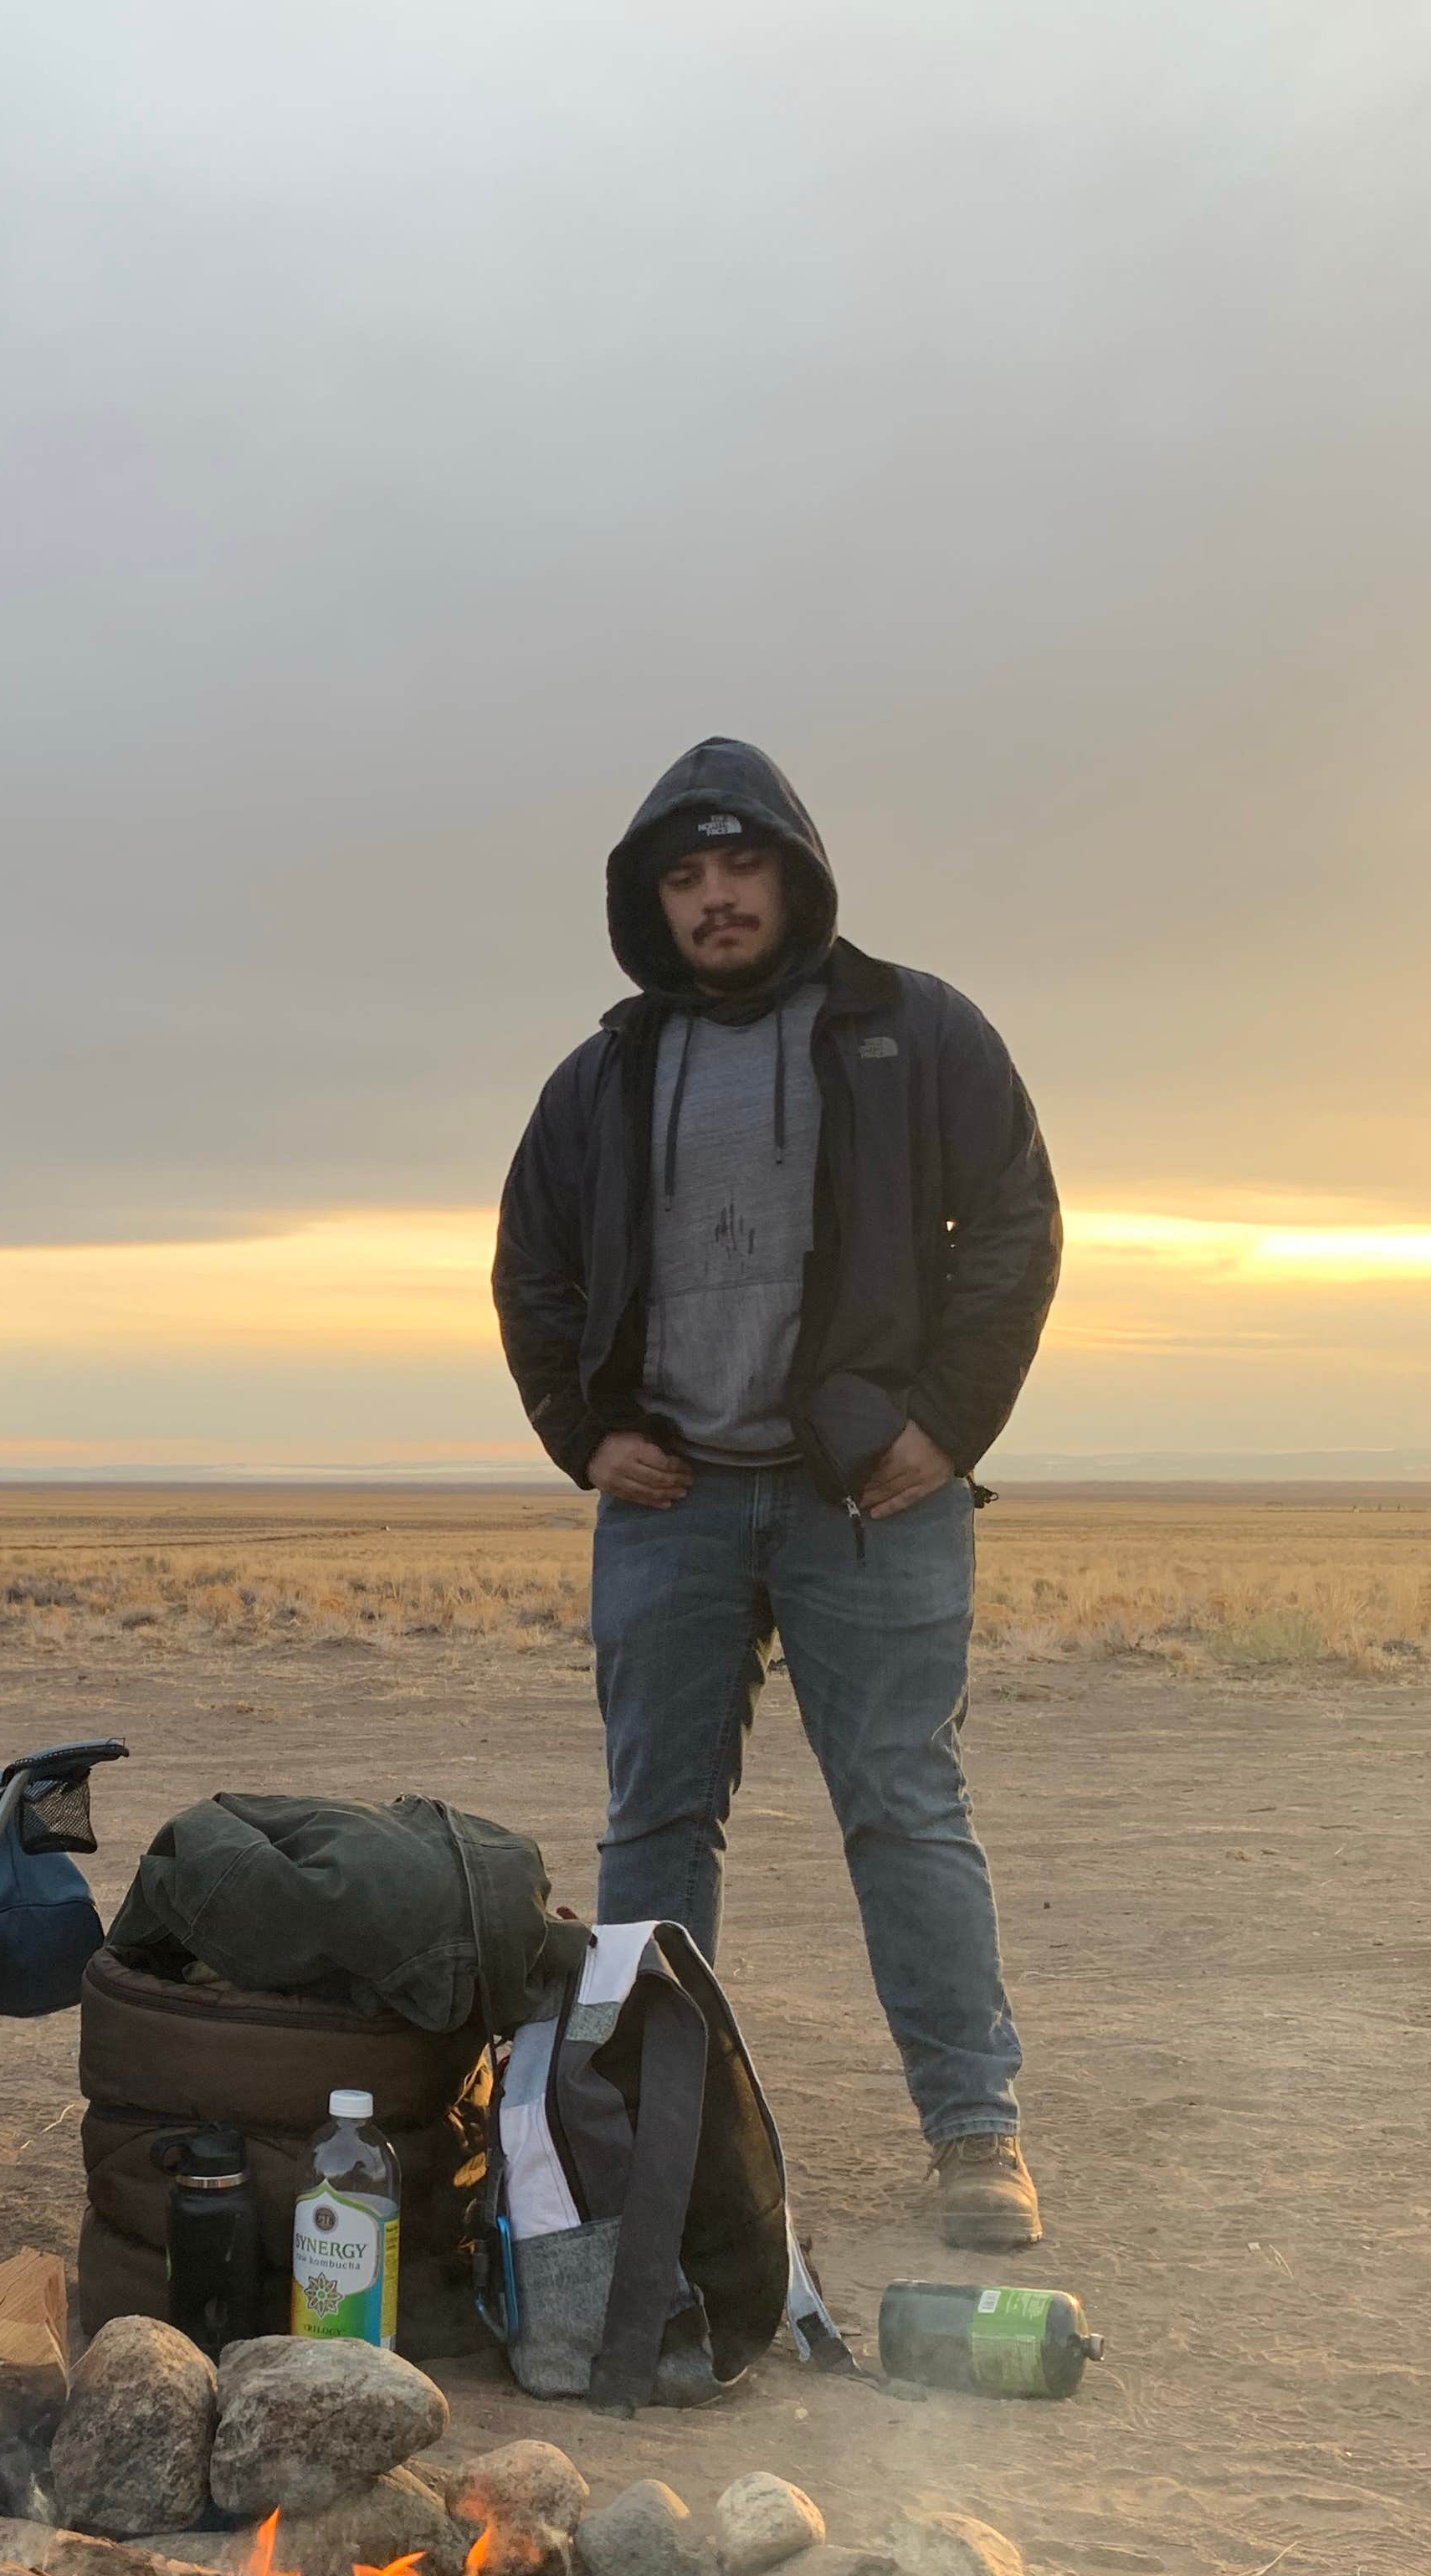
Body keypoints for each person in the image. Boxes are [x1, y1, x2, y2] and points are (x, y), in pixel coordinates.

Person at [493, 740, 1063, 2248]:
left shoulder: (913, 1031)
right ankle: (639, 2149)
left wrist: (948, 1422)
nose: (717, 898)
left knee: (904, 1807)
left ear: (795, 874)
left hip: (868, 1497)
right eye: (685, 877)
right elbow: (532, 1271)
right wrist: (583, 1435)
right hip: (674, 1501)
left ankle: (975, 2137)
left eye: (741, 868)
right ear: (652, 901)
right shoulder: (607, 1071)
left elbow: (1014, 1219)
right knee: (656, 1824)